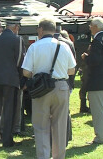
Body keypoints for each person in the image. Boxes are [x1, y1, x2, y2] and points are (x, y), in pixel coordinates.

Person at [22, 18, 76, 159]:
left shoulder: (34, 47)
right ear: (54, 30)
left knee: (41, 126)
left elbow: (26, 72)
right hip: (61, 86)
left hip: (41, 88)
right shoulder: (64, 46)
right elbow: (71, 70)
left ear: (40, 29)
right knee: (60, 125)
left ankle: (44, 156)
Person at [0, 18, 24, 147]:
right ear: (16, 27)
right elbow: (19, 61)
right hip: (10, 79)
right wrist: (20, 78)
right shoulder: (17, 40)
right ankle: (7, 139)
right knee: (9, 110)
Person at [81, 17, 103, 144]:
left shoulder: (97, 41)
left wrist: (86, 57)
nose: (90, 27)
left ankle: (100, 137)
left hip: (95, 80)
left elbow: (94, 60)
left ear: (96, 27)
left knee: (98, 110)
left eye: (91, 25)